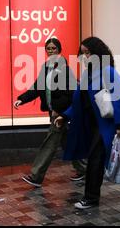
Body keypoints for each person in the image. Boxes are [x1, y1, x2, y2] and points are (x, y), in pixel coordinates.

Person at [54, 37, 120, 209]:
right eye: (83, 53)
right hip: (90, 124)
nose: (85, 56)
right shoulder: (88, 74)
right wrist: (65, 115)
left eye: (88, 52)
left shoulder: (108, 71)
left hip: (106, 125)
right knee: (106, 158)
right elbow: (80, 101)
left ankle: (90, 198)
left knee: (95, 160)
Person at [15, 38, 86, 188]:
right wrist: (22, 99)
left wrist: (59, 110)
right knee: (67, 142)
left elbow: (70, 93)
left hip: (60, 114)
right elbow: (37, 87)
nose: (51, 51)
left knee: (50, 143)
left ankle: (36, 175)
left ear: (59, 50)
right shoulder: (46, 67)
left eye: (54, 48)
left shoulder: (65, 69)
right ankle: (84, 169)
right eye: (48, 48)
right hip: (54, 112)